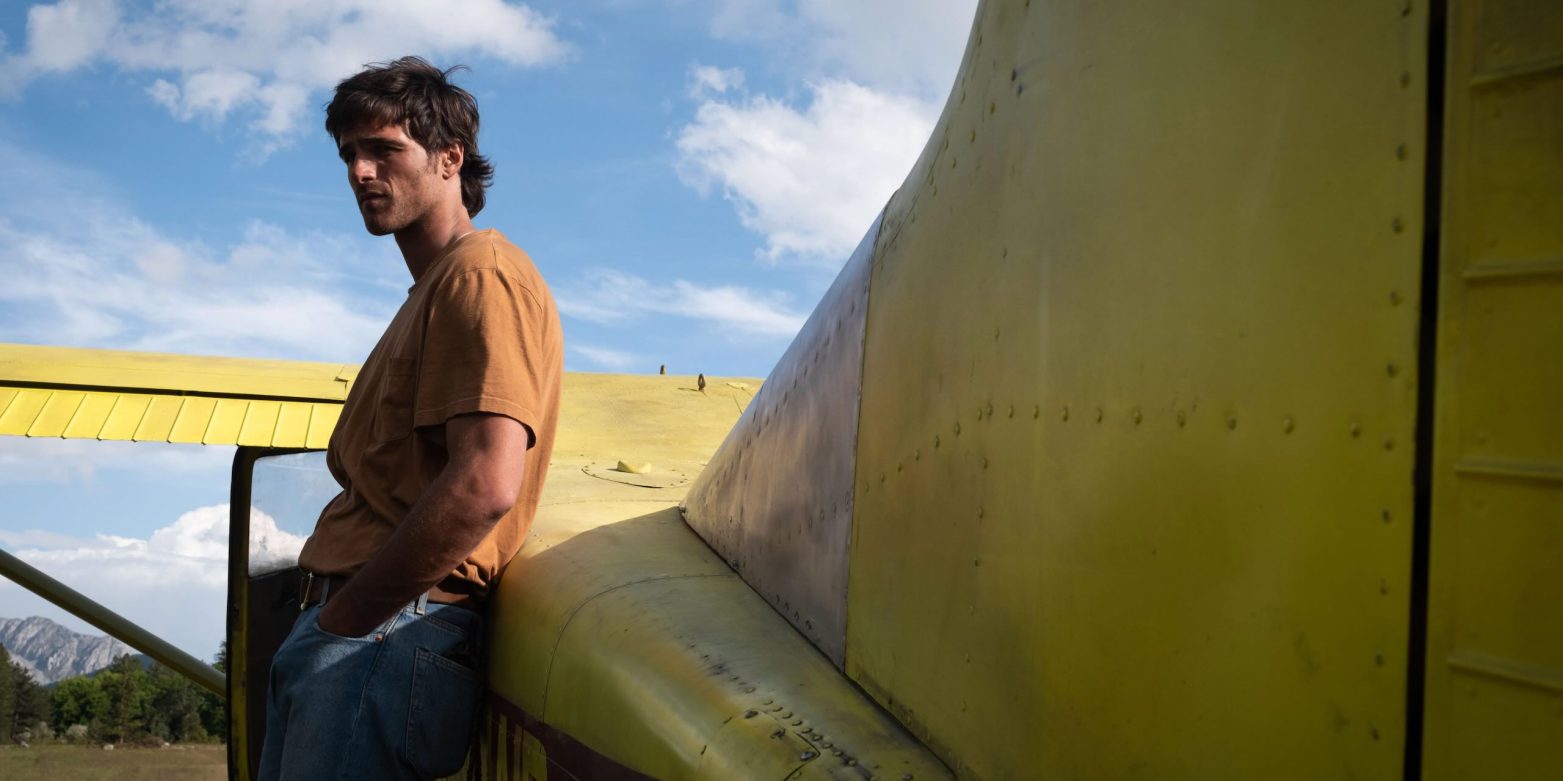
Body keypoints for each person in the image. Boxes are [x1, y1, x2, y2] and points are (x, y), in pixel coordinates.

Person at [259, 56, 562, 780]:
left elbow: (488, 479)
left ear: (449, 157)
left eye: (384, 150)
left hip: (383, 632)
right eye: (348, 155)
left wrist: (346, 619)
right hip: (370, 632)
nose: (360, 172)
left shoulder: (480, 271)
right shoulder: (435, 288)